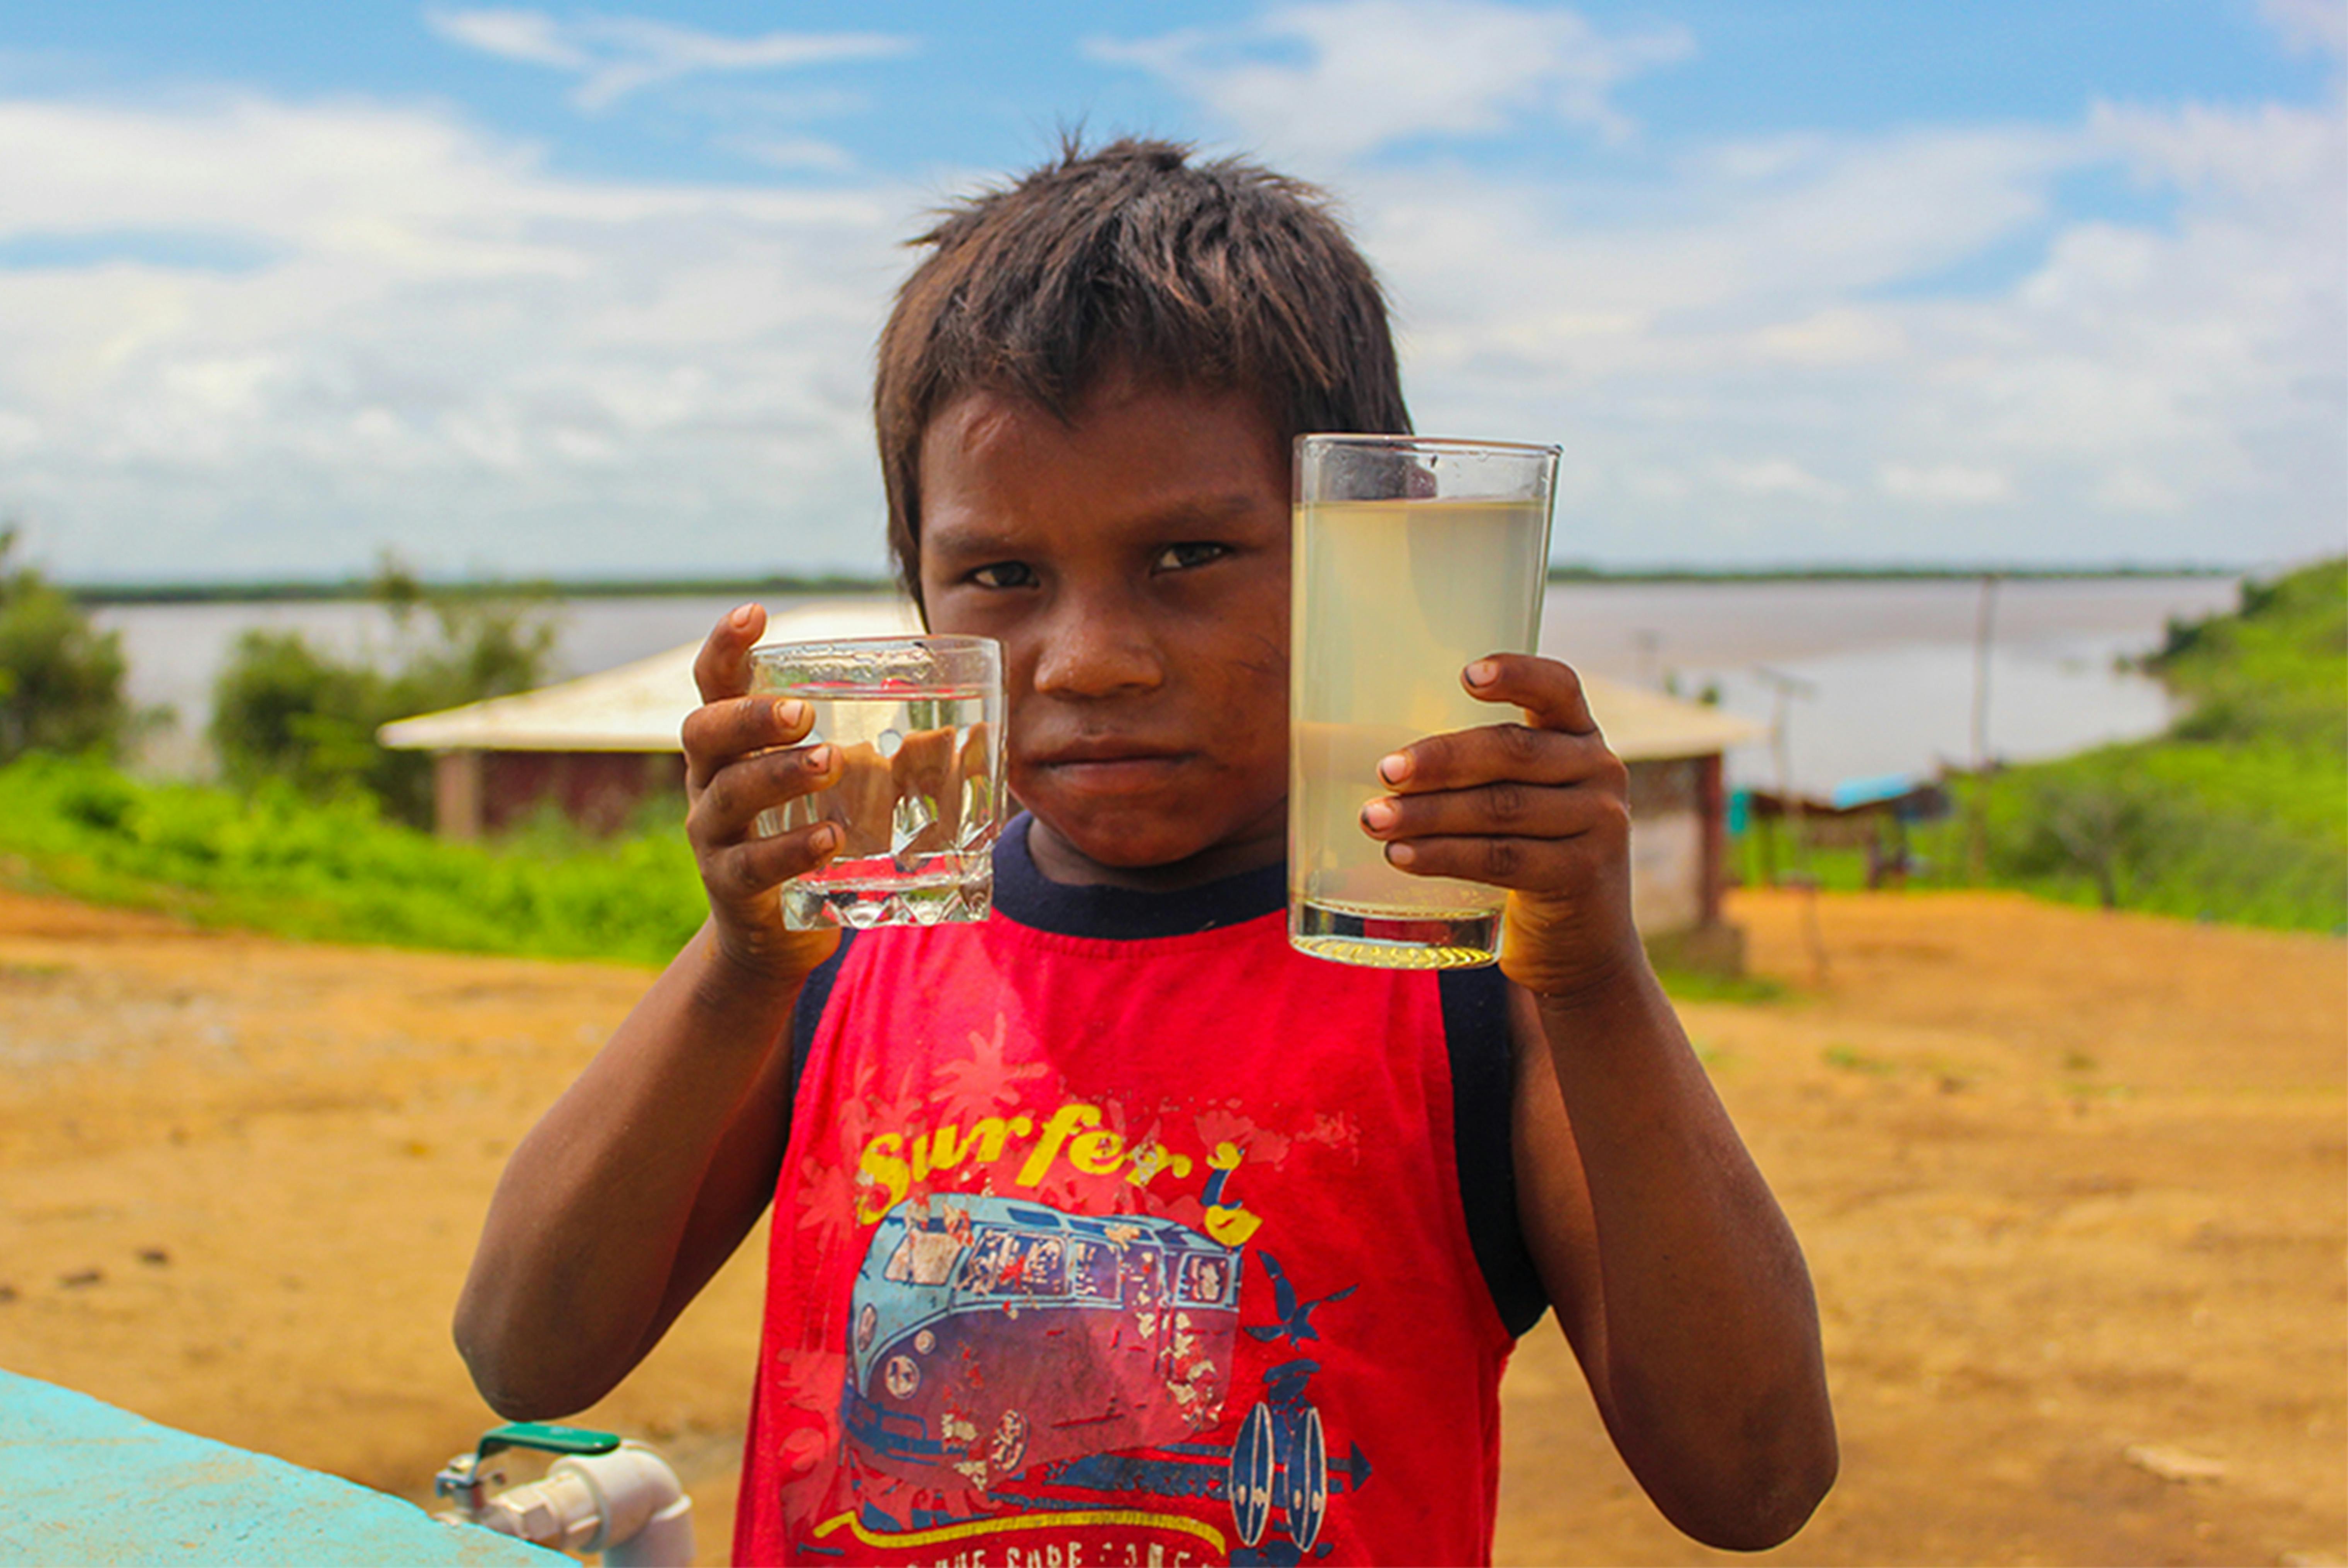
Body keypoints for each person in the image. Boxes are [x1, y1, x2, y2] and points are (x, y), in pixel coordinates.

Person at [455, 136, 1836, 1565]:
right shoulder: (849, 942)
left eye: (1187, 558)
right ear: (916, 585)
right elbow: (526, 1348)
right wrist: (743, 964)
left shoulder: (1458, 966)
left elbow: (1754, 1479)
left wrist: (1600, 976)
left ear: (1357, 550)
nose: (1093, 660)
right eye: (1001, 575)